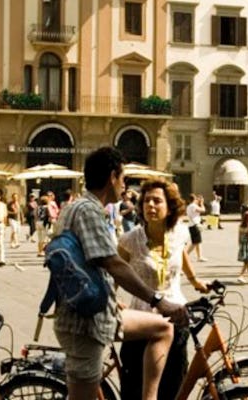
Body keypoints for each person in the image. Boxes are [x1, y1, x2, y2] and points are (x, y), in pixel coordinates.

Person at [51, 147, 186, 400]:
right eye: (123, 179)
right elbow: (113, 264)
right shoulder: (88, 210)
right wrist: (157, 300)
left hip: (95, 313)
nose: (125, 187)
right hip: (85, 322)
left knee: (162, 329)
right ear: (112, 176)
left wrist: (112, 296)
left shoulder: (76, 208)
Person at [117, 179, 209, 400]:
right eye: (146, 201)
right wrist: (113, 300)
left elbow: (181, 255)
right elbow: (112, 273)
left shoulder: (180, 233)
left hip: (176, 317)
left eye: (157, 201)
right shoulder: (130, 240)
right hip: (142, 321)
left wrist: (195, 281)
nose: (150, 206)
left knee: (173, 387)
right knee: (136, 390)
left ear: (170, 207)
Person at [185, 194, 207, 262]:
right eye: (197, 199)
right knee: (195, 243)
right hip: (194, 225)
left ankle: (199, 256)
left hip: (192, 225)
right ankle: (185, 255)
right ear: (194, 199)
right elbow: (203, 210)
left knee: (198, 242)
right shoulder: (193, 206)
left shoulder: (189, 206)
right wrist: (202, 203)